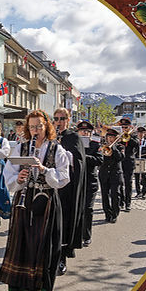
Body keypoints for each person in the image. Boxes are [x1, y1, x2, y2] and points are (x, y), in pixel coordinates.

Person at [0, 110, 70, 291]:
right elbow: (8, 174)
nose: (35, 130)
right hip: (23, 203)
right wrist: (18, 177)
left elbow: (64, 177)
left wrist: (45, 170)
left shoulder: (57, 149)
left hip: (46, 203)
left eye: (39, 126)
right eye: (32, 127)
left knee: (45, 253)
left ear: (47, 126)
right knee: (26, 249)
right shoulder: (21, 148)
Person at [54, 107, 86, 275]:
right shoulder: (51, 137)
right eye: (56, 118)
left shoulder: (73, 137)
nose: (58, 122)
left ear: (67, 120)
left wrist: (61, 152)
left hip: (66, 187)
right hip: (51, 185)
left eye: (61, 119)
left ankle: (62, 258)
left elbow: (79, 161)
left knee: (64, 222)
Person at [77, 120, 102, 247]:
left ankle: (86, 236)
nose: (85, 133)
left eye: (87, 131)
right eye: (82, 131)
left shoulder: (95, 144)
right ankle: (77, 235)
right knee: (77, 209)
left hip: (90, 182)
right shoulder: (74, 144)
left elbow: (99, 160)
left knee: (87, 209)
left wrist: (84, 156)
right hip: (76, 181)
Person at [98, 128, 125, 223]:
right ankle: (107, 214)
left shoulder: (120, 147)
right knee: (104, 195)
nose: (110, 139)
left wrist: (112, 148)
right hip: (104, 174)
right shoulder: (102, 147)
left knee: (115, 194)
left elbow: (121, 158)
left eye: (112, 137)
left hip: (115, 174)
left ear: (115, 138)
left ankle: (114, 214)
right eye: (108, 136)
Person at [118, 117, 139, 212]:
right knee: (120, 183)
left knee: (128, 183)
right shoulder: (118, 136)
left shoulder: (133, 135)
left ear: (129, 127)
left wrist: (128, 137)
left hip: (129, 162)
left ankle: (128, 203)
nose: (124, 129)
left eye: (126, 127)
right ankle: (121, 201)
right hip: (119, 162)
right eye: (122, 127)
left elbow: (136, 145)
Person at [134, 126, 146, 199]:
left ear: (144, 134)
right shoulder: (135, 142)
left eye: (142, 133)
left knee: (144, 177)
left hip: (144, 161)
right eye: (139, 133)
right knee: (137, 177)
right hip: (136, 160)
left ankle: (144, 192)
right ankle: (138, 192)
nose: (140, 134)